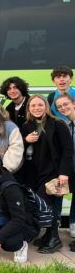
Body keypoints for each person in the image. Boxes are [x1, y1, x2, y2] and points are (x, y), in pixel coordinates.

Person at [19, 95, 73, 254]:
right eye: (33, 105)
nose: (36, 108)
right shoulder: (26, 126)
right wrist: (25, 140)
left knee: (48, 205)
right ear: (29, 108)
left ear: (46, 107)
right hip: (34, 175)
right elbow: (19, 149)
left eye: (40, 105)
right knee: (40, 205)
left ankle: (54, 238)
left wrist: (64, 172)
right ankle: (48, 235)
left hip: (53, 173)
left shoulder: (57, 123)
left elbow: (67, 150)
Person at [54, 94, 75, 239]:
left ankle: (73, 222)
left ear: (73, 103)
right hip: (68, 166)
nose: (63, 108)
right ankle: (55, 223)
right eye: (59, 106)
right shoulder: (64, 124)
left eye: (65, 104)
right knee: (59, 193)